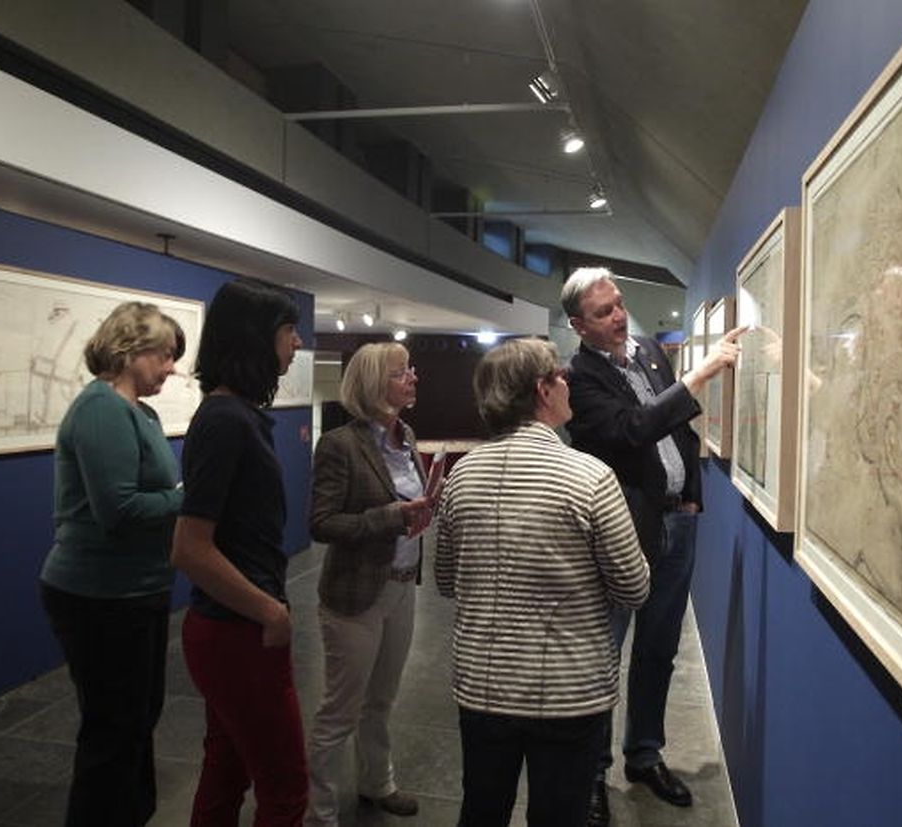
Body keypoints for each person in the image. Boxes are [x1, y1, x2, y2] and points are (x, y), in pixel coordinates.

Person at [435, 337, 650, 827]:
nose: (567, 381)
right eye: (559, 374)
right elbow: (634, 588)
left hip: (483, 686)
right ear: (541, 390)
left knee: (482, 811)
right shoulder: (590, 477)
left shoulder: (462, 476)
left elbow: (447, 581)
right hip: (569, 691)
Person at [561, 268, 743, 826]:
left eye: (619, 305)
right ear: (578, 326)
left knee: (659, 648)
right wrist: (699, 377)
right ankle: (590, 774)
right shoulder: (580, 378)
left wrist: (690, 496)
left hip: (675, 524)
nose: (618, 317)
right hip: (621, 530)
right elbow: (634, 428)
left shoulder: (646, 354)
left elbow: (679, 433)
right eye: (603, 312)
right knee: (603, 656)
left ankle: (644, 754)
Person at [38, 301, 185, 826]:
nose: (172, 367)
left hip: (133, 589)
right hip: (98, 594)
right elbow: (119, 512)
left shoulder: (137, 412)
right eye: (165, 355)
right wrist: (190, 498)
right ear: (130, 350)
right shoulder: (102, 409)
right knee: (112, 730)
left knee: (137, 720)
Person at [171, 278, 307, 826]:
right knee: (285, 790)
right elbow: (190, 548)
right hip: (236, 632)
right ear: (256, 337)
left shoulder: (236, 415)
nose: (297, 343)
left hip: (229, 629)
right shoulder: (226, 420)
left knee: (226, 768)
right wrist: (269, 610)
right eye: (288, 331)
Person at [304, 342, 433, 826]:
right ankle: (318, 813)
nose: (413, 378)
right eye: (403, 373)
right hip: (354, 594)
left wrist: (420, 514)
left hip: (401, 586)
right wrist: (390, 517)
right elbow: (322, 524)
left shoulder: (406, 436)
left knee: (382, 699)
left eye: (411, 371)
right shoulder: (340, 444)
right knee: (340, 710)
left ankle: (378, 784)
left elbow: (406, 513)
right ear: (376, 385)